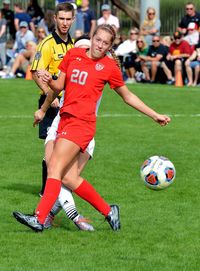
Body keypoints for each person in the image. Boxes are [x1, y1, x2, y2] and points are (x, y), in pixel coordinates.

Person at [13, 24, 171, 233]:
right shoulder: (74, 54)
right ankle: (109, 211)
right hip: (65, 120)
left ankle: (39, 218)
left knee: (54, 167)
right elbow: (59, 86)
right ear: (92, 37)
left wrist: (154, 115)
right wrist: (47, 78)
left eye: (106, 43)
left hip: (82, 124)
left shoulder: (108, 67)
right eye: (98, 40)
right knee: (69, 177)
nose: (100, 45)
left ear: (109, 47)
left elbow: (127, 96)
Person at [29, 3, 93, 231]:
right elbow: (35, 71)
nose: (65, 23)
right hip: (51, 102)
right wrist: (49, 94)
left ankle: (51, 197)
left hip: (71, 105)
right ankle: (47, 192)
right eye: (61, 19)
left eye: (68, 19)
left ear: (73, 19)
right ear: (55, 18)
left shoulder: (75, 46)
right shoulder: (47, 44)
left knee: (60, 156)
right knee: (50, 155)